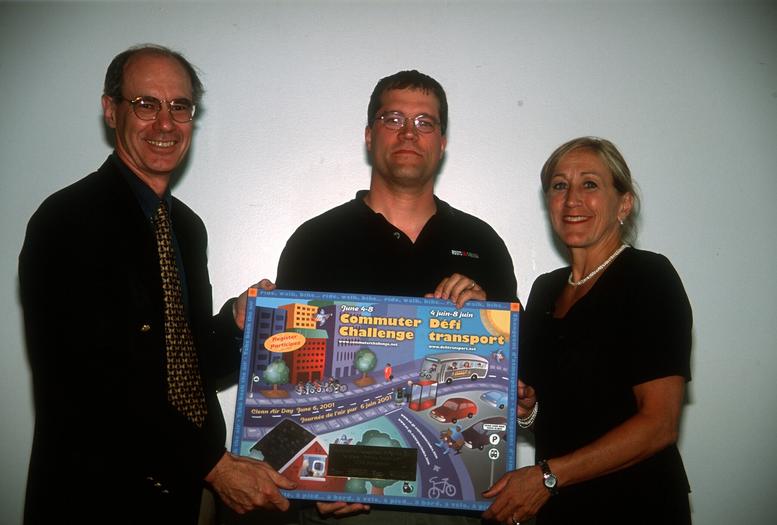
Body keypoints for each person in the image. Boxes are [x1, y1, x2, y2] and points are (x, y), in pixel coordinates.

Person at [19, 44, 293, 524]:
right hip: (98, 496)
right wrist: (214, 465)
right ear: (111, 110)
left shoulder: (186, 227)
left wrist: (236, 322)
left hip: (187, 496)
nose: (165, 124)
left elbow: (188, 367)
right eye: (146, 104)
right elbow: (87, 381)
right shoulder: (66, 221)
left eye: (179, 107)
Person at [275, 70, 518, 524]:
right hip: (348, 503)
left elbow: (514, 382)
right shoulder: (315, 241)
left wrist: (487, 320)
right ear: (370, 136)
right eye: (394, 119)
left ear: (441, 142)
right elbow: (285, 382)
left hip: (457, 504)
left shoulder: (483, 243)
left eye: (425, 122)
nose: (409, 133)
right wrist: (309, 483)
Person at [483, 137, 692, 524]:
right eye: (559, 185)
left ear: (623, 204)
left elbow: (659, 424)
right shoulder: (545, 289)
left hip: (636, 504)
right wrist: (529, 410)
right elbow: (562, 412)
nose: (572, 199)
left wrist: (548, 477)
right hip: (558, 506)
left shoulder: (648, 278)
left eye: (590, 184)